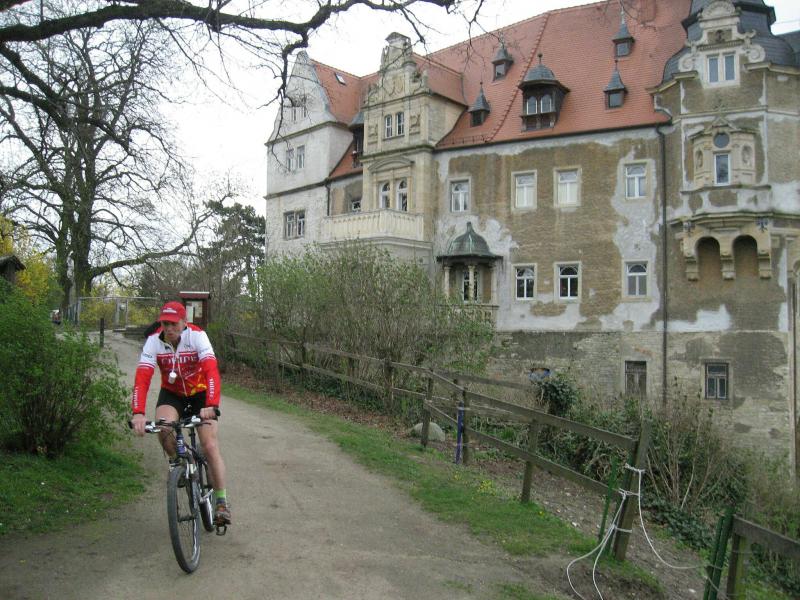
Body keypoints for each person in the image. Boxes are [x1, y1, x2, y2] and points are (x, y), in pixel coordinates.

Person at [130, 301, 231, 526]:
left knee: (209, 445)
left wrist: (211, 404)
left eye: (174, 324)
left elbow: (211, 371)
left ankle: (221, 503)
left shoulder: (197, 336)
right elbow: (142, 377)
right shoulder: (154, 341)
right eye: (165, 323)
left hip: (200, 395)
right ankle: (179, 464)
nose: (169, 328)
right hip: (172, 394)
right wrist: (138, 412)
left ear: (184, 322)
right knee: (163, 428)